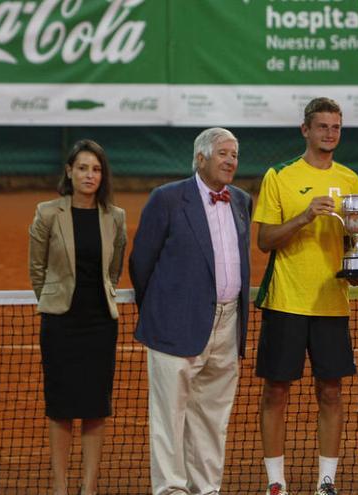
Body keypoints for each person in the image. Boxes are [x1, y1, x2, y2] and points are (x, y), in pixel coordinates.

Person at [130, 127, 252, 495]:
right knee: (169, 415)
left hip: (228, 323)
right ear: (200, 158)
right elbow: (141, 262)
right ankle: (170, 488)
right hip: (175, 322)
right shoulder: (166, 199)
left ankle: (207, 488)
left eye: (234, 155)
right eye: (223, 154)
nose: (231, 160)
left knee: (213, 417)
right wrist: (164, 308)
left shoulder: (242, 201)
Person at [253, 97, 358, 495]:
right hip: (285, 302)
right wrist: (304, 217)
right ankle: (276, 481)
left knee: (331, 392)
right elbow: (264, 241)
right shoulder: (278, 176)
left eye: (335, 127)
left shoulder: (352, 180)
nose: (329, 134)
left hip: (331, 303)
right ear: (305, 130)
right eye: (322, 127)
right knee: (276, 391)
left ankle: (325, 481)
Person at [28, 139, 127, 495]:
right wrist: (54, 300)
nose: (90, 175)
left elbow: (113, 271)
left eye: (96, 169)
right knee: (61, 408)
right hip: (61, 325)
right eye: (83, 168)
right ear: (69, 172)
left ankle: (89, 488)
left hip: (100, 324)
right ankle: (59, 487)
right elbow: (37, 269)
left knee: (95, 408)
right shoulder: (47, 213)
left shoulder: (116, 217)